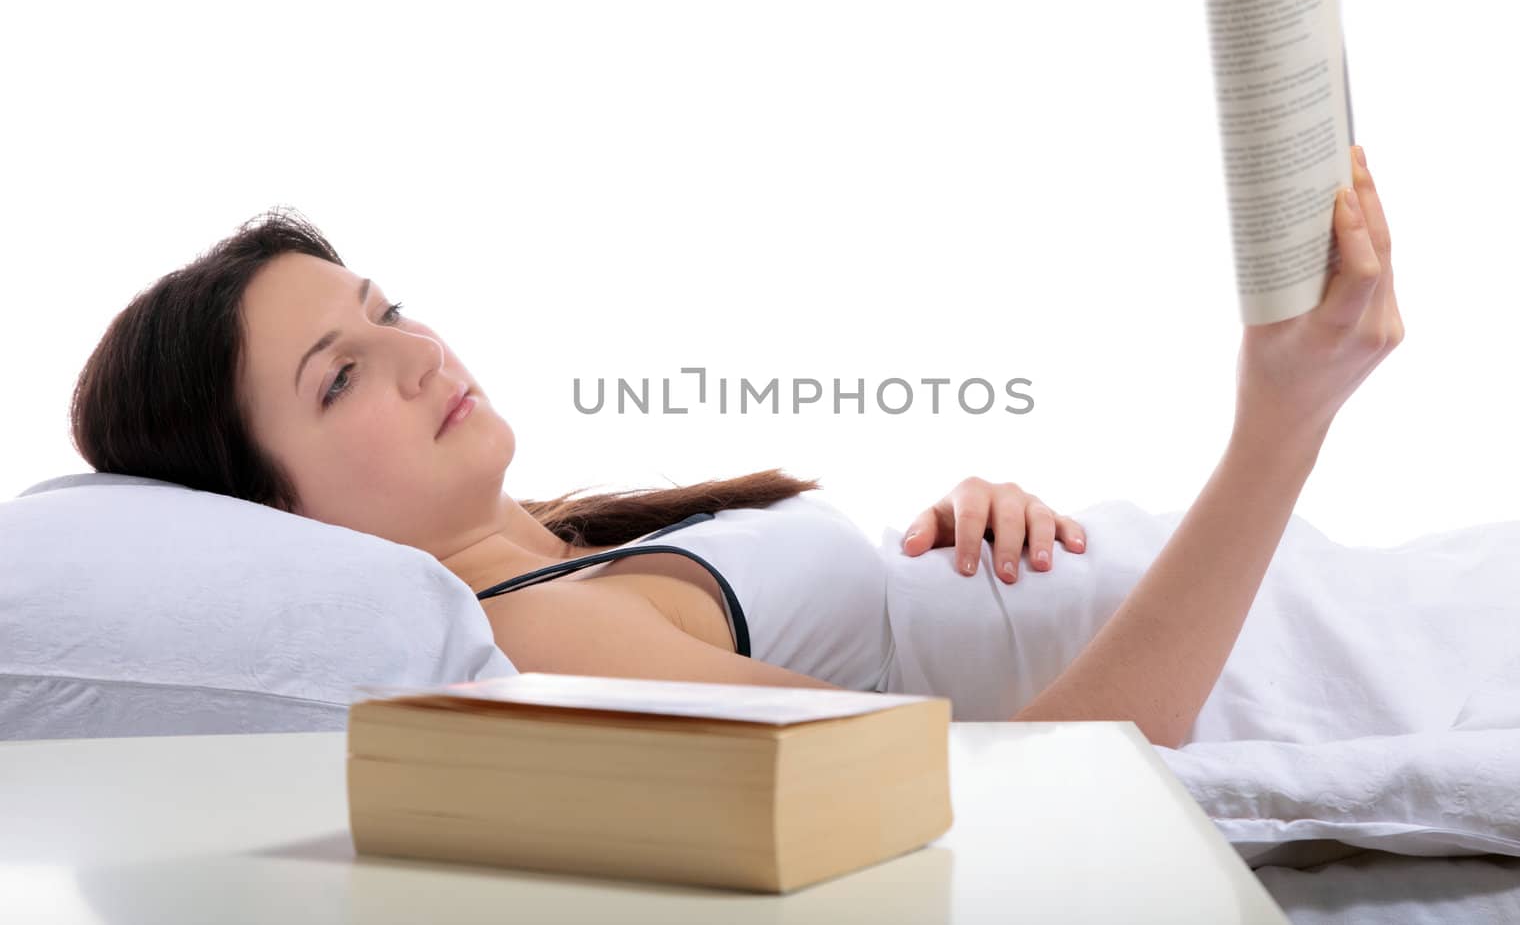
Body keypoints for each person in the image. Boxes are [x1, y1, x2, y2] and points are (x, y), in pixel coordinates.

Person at [68, 145, 1400, 749]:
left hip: (1295, 628)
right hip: (1286, 683)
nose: (418, 354)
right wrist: (1283, 423)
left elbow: (864, 660)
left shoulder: (562, 557)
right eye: (340, 375)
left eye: (387, 310)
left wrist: (958, 557)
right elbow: (1029, 812)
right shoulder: (527, 633)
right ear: (272, 510)